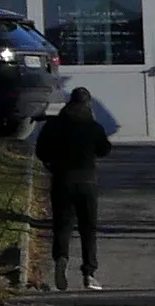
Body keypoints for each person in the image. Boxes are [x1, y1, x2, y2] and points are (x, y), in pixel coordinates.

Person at [32, 81, 117, 294]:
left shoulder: (54, 125)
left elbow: (41, 150)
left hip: (62, 180)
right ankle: (89, 273)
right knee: (88, 229)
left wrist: (52, 163)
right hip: (87, 181)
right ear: (88, 104)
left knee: (63, 225)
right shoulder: (92, 126)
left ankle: (61, 259)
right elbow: (105, 149)